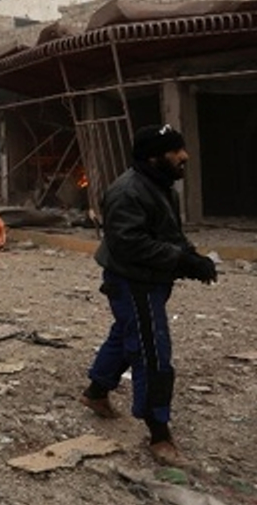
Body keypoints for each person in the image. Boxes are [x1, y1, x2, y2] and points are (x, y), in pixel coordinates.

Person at [80, 124, 216, 467]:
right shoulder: (127, 192)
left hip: (150, 280)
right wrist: (180, 260)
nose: (185, 156)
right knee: (152, 350)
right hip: (132, 282)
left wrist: (192, 257)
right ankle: (159, 434)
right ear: (154, 157)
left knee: (128, 334)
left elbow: (169, 234)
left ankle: (96, 392)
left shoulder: (161, 185)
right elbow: (130, 244)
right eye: (176, 150)